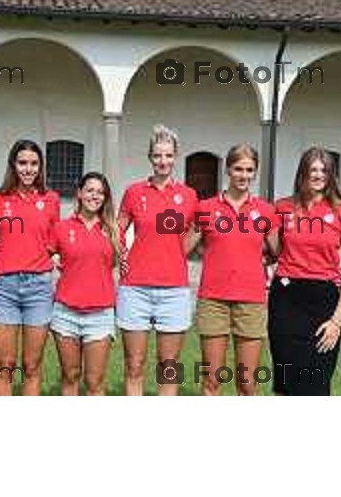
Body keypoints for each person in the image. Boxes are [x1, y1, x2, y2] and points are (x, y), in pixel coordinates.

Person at [267, 146, 341, 396]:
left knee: (317, 384)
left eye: (324, 170)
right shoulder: (282, 207)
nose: (318, 175)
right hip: (285, 300)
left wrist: (337, 321)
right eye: (313, 169)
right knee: (285, 383)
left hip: (323, 303)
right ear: (302, 173)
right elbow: (272, 252)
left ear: (330, 175)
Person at [185, 144, 276, 396]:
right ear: (227, 170)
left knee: (248, 384)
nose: (243, 175)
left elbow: (279, 251)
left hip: (251, 301)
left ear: (255, 173)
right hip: (213, 299)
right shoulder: (206, 208)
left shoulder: (266, 211)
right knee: (212, 382)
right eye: (238, 169)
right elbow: (181, 248)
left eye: (249, 170)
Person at [117, 124, 197, 396]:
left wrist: (175, 254)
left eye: (168, 155)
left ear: (175, 157)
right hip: (135, 289)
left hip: (174, 290)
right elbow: (117, 229)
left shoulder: (188, 196)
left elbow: (195, 233)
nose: (163, 161)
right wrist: (122, 256)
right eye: (157, 155)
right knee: (134, 365)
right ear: (150, 158)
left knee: (169, 366)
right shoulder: (134, 192)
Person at [0, 140, 60, 395]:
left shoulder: (51, 199)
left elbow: (53, 240)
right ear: (13, 165)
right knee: (5, 366)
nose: (28, 169)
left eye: (33, 164)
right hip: (3, 288)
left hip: (38, 287)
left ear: (40, 168)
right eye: (22, 163)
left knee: (32, 366)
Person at [49, 172, 117, 396]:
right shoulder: (61, 228)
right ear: (79, 193)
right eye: (90, 190)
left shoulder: (113, 231)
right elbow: (45, 256)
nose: (94, 196)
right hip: (65, 313)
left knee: (95, 381)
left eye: (100, 192)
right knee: (70, 376)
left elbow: (120, 263)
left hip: (100, 315)